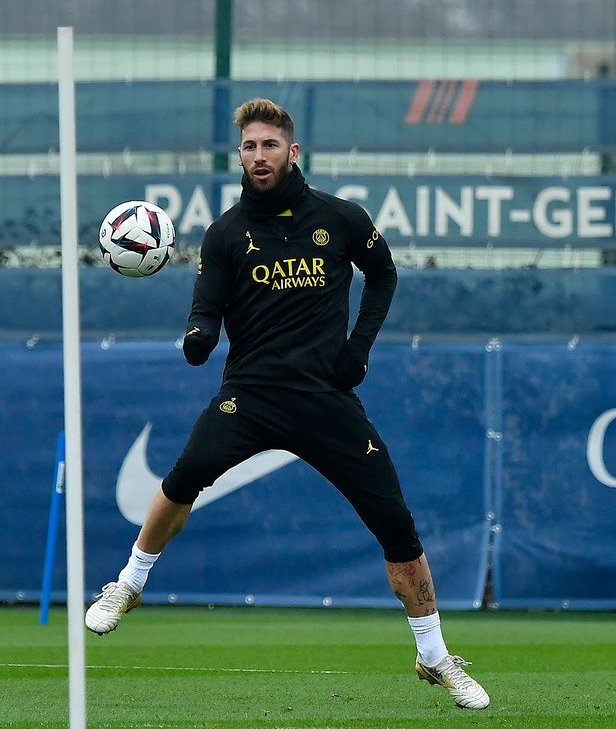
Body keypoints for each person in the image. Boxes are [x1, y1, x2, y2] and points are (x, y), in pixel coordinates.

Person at [85, 98, 489, 710]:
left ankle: (434, 656)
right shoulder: (226, 234)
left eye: (268, 145)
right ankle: (128, 584)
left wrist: (359, 347)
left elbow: (383, 274)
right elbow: (206, 310)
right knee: (185, 476)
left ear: (291, 152)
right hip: (252, 397)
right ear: (240, 156)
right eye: (248, 147)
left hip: (327, 400)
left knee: (396, 525)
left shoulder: (341, 218)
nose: (258, 156)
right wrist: (198, 338)